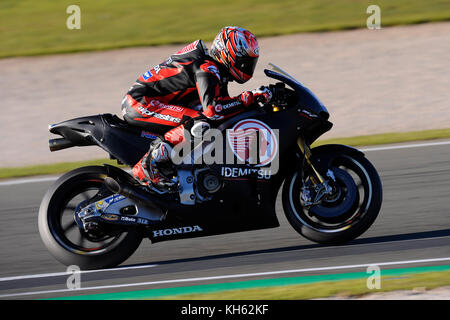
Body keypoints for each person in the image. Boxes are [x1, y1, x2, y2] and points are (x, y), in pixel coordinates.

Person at [121, 26, 273, 188]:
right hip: (140, 103)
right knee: (200, 124)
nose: (246, 66)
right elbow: (213, 110)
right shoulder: (206, 67)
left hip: (154, 103)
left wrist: (255, 102)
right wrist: (249, 97)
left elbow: (226, 107)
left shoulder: (216, 71)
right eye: (244, 61)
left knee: (212, 121)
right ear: (229, 54)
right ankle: (148, 167)